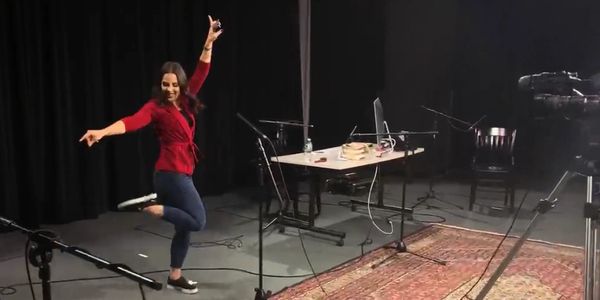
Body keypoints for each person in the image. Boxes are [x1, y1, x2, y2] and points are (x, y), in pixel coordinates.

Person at [79, 15, 223, 294]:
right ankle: (153, 207)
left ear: (180, 85)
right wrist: (102, 131)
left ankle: (175, 276)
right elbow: (131, 121)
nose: (169, 88)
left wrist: (208, 42)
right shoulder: (155, 107)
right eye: (165, 84)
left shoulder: (185, 101)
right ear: (160, 85)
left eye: (174, 84)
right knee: (198, 221)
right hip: (170, 175)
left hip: (181, 171)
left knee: (184, 229)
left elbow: (202, 70)